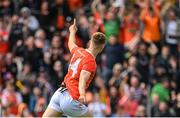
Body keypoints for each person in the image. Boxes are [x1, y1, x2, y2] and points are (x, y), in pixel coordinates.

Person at [42, 19, 106, 117]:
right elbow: (82, 80)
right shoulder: (91, 62)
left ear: (90, 42)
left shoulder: (78, 51)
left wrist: (72, 31)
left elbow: (71, 43)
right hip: (71, 98)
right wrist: (82, 95)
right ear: (102, 48)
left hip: (59, 93)